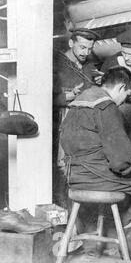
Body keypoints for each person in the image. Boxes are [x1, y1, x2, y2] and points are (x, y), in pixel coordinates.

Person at [59, 66, 131, 261]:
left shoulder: (78, 104)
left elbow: (91, 146)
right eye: (127, 95)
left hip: (75, 177)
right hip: (97, 177)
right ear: (121, 87)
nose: (123, 101)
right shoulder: (107, 106)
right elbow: (121, 164)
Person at [53, 28, 101, 207]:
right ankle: (63, 214)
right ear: (71, 43)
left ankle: (77, 216)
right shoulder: (56, 64)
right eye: (82, 47)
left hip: (85, 125)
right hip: (63, 122)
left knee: (80, 166)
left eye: (89, 49)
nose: (85, 53)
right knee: (62, 167)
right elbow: (42, 100)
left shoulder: (89, 66)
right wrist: (67, 97)